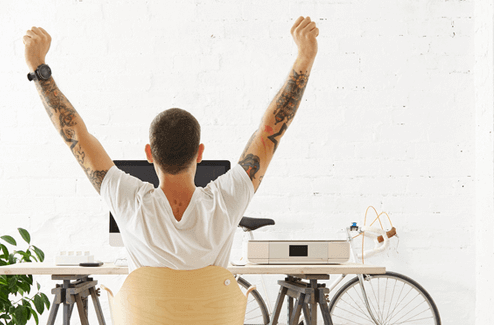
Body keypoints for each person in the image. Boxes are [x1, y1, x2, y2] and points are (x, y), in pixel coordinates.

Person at [22, 17, 319, 271]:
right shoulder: (227, 200)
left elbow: (74, 134)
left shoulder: (128, 201)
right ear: (200, 153)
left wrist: (39, 67)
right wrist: (304, 57)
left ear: (149, 154)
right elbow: (269, 132)